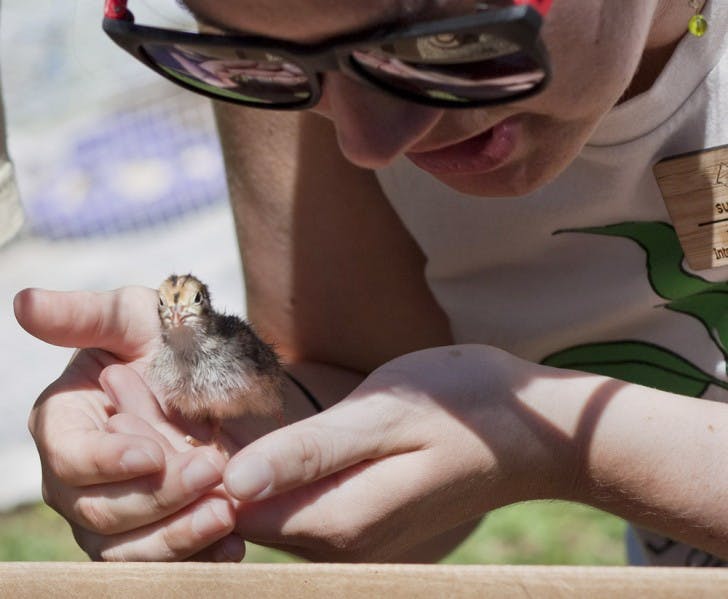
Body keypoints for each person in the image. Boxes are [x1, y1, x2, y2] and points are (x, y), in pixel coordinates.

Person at [14, 0, 728, 565]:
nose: (366, 141)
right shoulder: (301, 48)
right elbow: (413, 514)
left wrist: (553, 440)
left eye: (444, 36)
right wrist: (215, 430)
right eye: (259, 57)